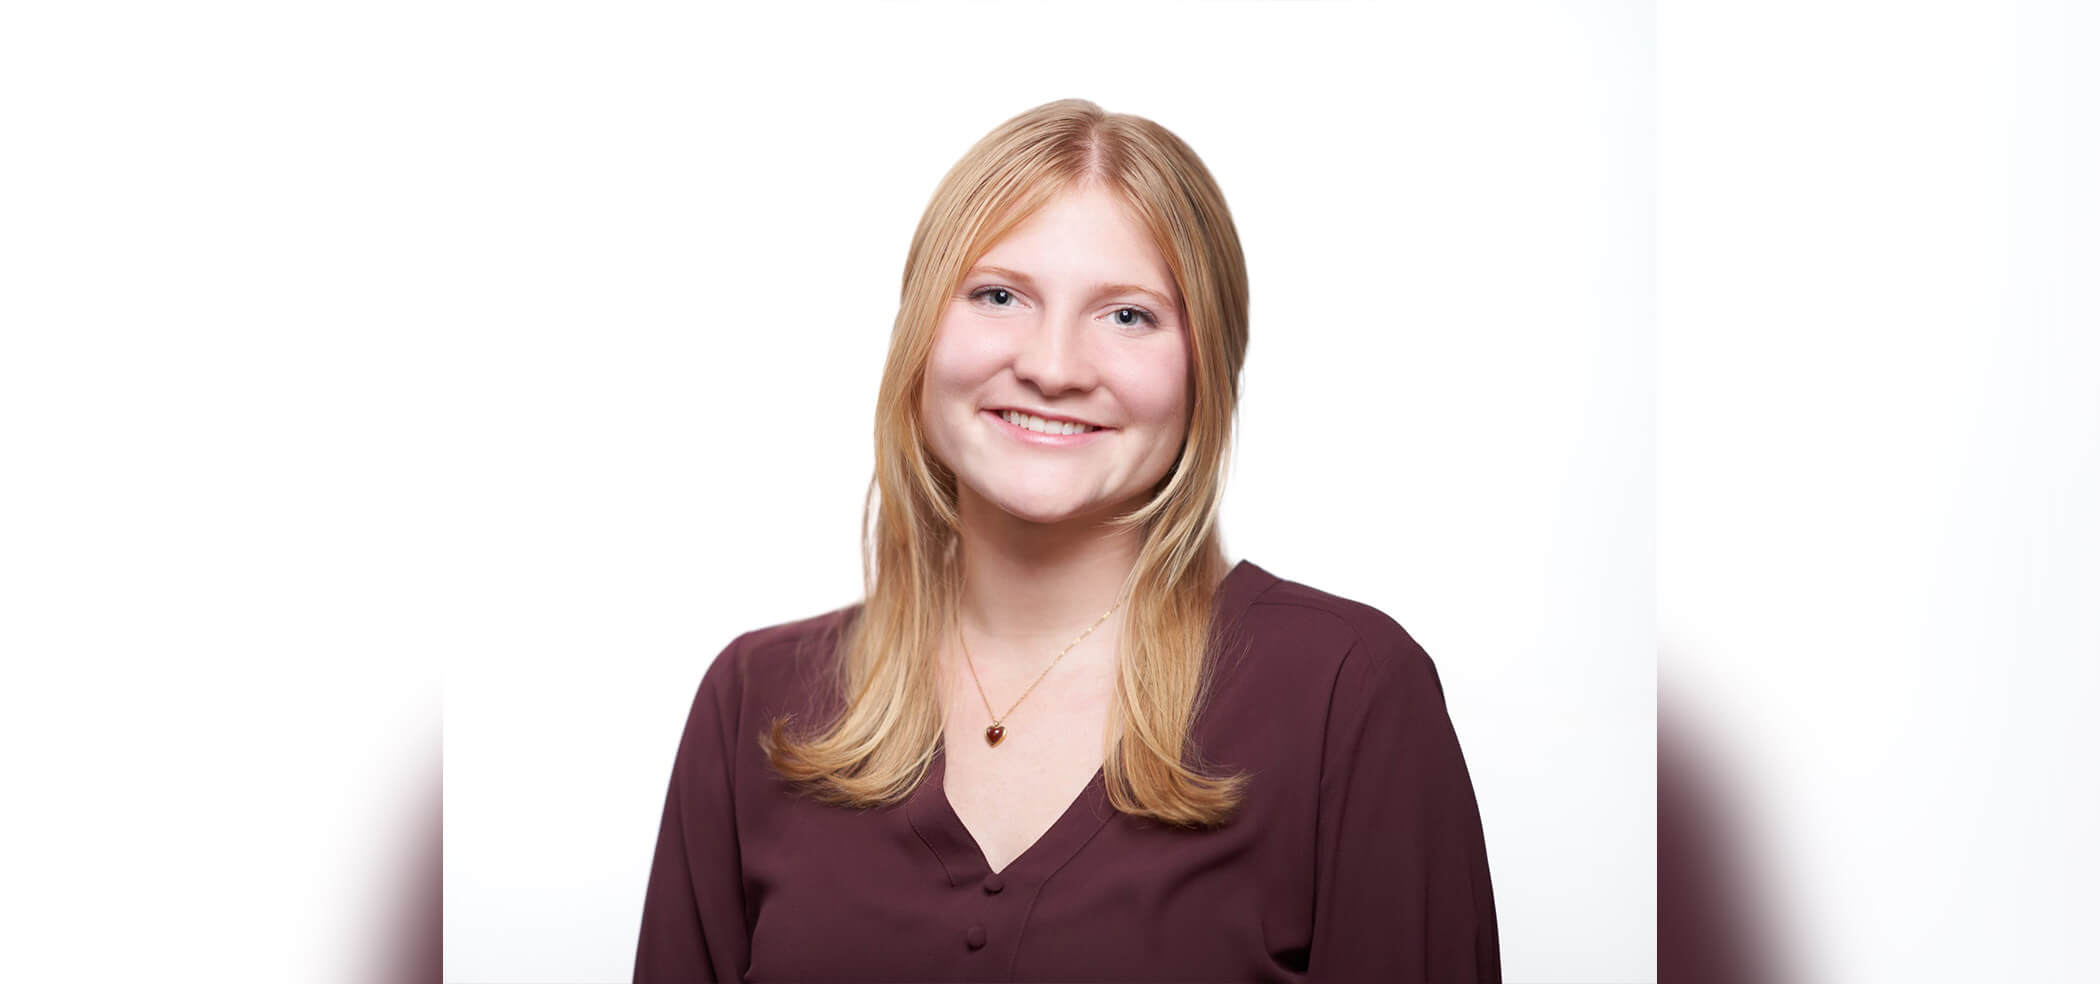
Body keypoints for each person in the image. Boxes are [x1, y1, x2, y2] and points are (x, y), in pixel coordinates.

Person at [633, 98, 1501, 983]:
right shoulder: (754, 701)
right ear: (920, 336)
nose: (1052, 367)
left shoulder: (1348, 693)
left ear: (1209, 370)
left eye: (1127, 315)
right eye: (999, 296)